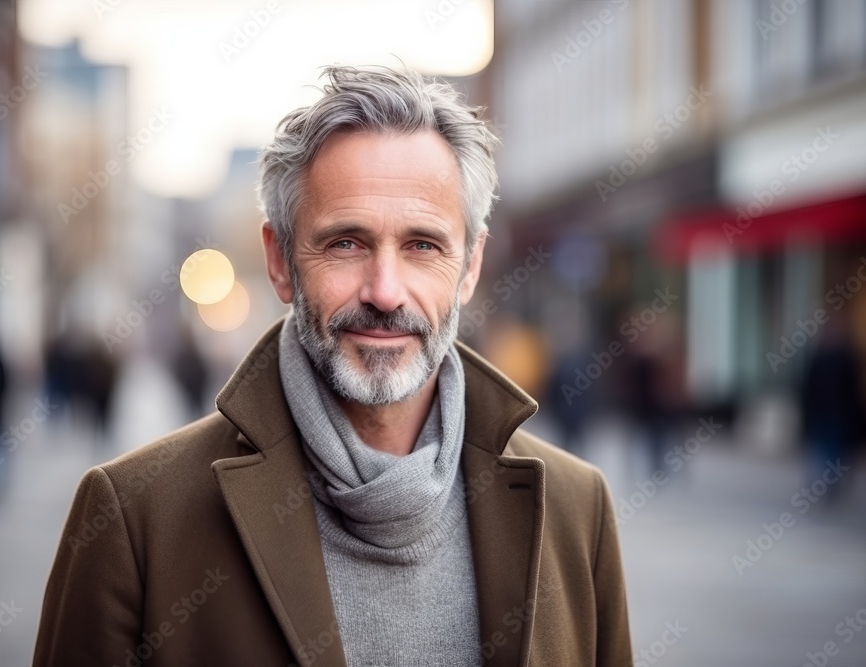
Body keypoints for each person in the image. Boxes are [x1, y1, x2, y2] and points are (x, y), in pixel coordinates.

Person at [34, 66, 632, 667]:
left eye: (423, 245)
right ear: (280, 260)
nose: (385, 291)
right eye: (346, 242)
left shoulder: (577, 511)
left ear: (470, 265)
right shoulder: (135, 520)